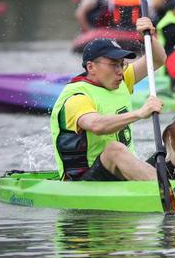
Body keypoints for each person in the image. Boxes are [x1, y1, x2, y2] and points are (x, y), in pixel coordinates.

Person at [50, 17, 166, 181]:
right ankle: (168, 189)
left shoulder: (122, 80)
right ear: (91, 67)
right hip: (84, 181)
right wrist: (140, 113)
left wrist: (150, 37)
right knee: (114, 149)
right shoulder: (76, 97)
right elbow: (96, 125)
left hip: (119, 171)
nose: (120, 70)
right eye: (114, 64)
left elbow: (157, 60)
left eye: (122, 64)